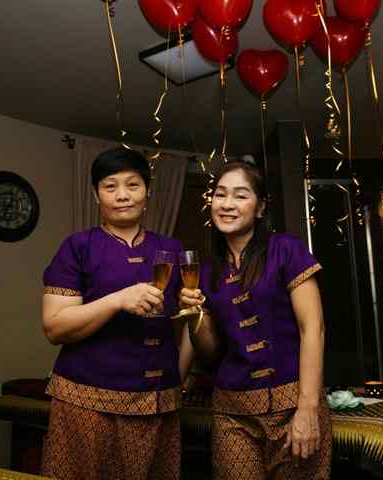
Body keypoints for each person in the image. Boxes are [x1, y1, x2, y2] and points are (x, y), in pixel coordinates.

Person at [41, 147, 189, 480]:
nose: (122, 195)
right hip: (85, 402)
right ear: (96, 195)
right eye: (110, 186)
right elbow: (54, 327)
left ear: (148, 193)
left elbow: (188, 322)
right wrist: (118, 300)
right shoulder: (78, 247)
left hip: (158, 403)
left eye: (133, 185)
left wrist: (179, 377)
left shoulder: (172, 249)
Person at [180, 161, 332, 479]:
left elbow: (313, 329)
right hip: (232, 410)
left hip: (293, 402)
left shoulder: (286, 250)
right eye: (220, 194)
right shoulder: (206, 271)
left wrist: (308, 408)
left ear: (260, 207)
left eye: (240, 195)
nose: (227, 204)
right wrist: (194, 315)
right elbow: (209, 350)